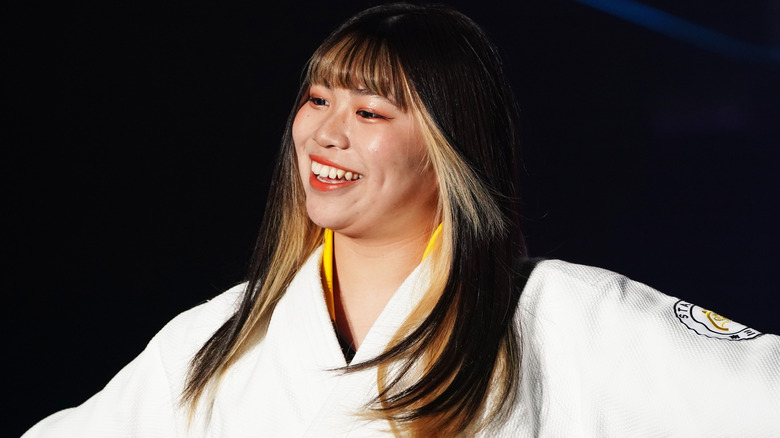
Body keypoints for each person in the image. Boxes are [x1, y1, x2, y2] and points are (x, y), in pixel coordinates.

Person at [23, 3, 779, 437]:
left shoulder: (559, 316)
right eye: (317, 99)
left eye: (369, 110)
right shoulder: (219, 338)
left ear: (448, 148)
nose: (325, 133)